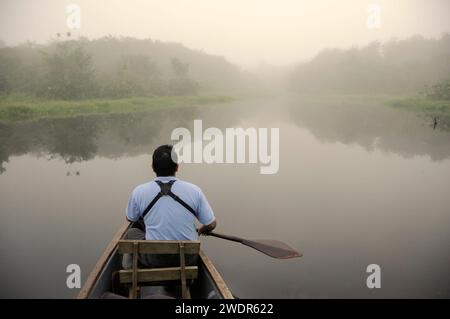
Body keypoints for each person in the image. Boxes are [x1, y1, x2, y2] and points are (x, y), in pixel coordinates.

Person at [122, 144, 216, 268]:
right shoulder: (194, 190)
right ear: (177, 167)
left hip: (154, 259)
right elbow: (211, 224)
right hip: (187, 259)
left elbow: (131, 218)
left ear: (152, 167)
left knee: (132, 232)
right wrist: (201, 230)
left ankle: (129, 272)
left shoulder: (139, 191)